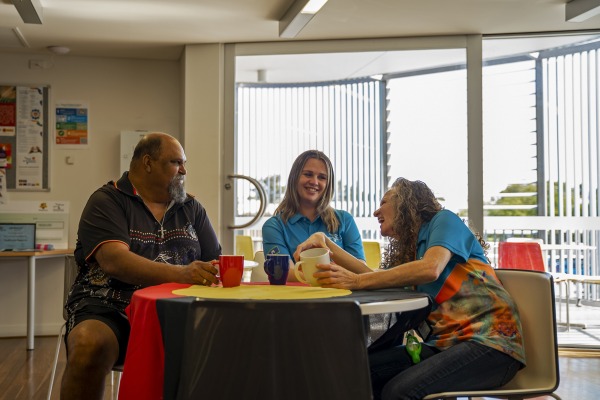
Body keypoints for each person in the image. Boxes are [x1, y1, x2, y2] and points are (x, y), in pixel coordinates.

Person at [293, 178, 526, 400]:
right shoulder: (413, 252)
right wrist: (325, 241)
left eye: (383, 202)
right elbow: (373, 276)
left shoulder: (444, 221)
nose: (376, 212)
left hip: (491, 345)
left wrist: (353, 282)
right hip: (445, 345)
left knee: (398, 392)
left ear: (406, 202)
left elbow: (431, 268)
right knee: (356, 372)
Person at [61, 132, 222, 400]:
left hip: (178, 310)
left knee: (234, 338)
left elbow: (213, 259)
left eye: (184, 163)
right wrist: (182, 274)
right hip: (111, 307)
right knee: (89, 343)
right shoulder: (107, 200)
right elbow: (115, 260)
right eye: (176, 162)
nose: (184, 170)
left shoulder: (191, 207)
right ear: (147, 162)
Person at [262, 150, 365, 279]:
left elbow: (361, 270)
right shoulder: (274, 226)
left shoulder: (345, 220)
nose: (314, 182)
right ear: (295, 178)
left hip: (341, 296)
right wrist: (328, 276)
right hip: (297, 297)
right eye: (308, 174)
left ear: (328, 184)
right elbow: (285, 273)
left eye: (322, 177)